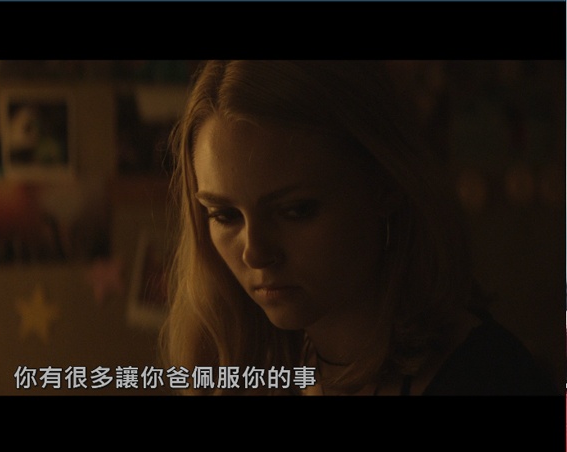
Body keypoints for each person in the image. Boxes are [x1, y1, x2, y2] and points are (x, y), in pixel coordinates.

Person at [158, 60, 557, 395]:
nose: (256, 252)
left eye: (296, 210)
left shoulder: (487, 378)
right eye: (225, 215)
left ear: (385, 186)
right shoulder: (263, 370)